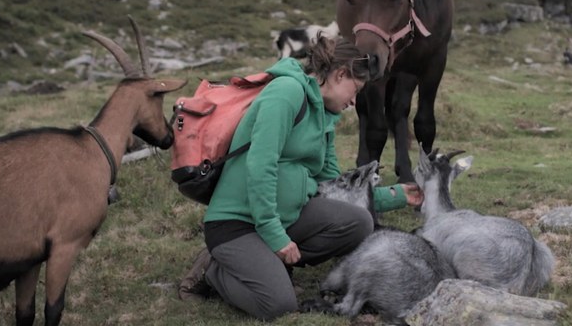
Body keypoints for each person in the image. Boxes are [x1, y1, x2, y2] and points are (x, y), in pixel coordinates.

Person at [177, 38, 423, 321]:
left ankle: (266, 263)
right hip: (236, 223)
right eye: (355, 90)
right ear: (339, 74)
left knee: (358, 222)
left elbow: (336, 188)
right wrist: (275, 236)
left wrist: (396, 195)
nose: (354, 102)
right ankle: (213, 271)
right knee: (279, 305)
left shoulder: (325, 117)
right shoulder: (286, 92)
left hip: (284, 217)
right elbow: (261, 165)